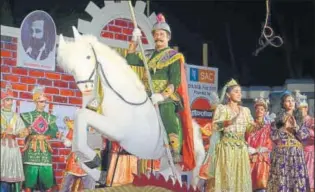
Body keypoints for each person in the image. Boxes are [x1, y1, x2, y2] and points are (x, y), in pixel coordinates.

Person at [126, 13, 195, 171]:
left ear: (168, 37)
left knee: (166, 112)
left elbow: (175, 81)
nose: (158, 37)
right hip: (148, 95)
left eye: (162, 34)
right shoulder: (148, 54)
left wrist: (162, 96)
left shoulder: (174, 56)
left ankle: (174, 149)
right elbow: (130, 59)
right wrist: (134, 41)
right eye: (156, 34)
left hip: (166, 96)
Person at [208, 79, 255, 192]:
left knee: (241, 178)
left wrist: (256, 126)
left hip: (241, 149)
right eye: (236, 91)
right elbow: (214, 126)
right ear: (228, 94)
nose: (240, 94)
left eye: (240, 92)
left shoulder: (246, 110)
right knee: (228, 177)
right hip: (227, 148)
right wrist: (227, 122)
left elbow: (249, 128)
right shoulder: (222, 108)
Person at [20, 85, 61, 192]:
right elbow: (22, 132)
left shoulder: (49, 117)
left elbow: (54, 131)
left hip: (45, 150)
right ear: (35, 102)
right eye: (41, 101)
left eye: (45, 102)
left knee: (47, 178)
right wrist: (27, 131)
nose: (44, 104)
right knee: (29, 177)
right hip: (31, 149)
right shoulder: (27, 116)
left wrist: (52, 134)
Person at [267, 90, 310, 192]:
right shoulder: (278, 119)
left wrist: (296, 127)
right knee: (282, 180)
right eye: (288, 101)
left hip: (296, 154)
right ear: (283, 104)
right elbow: (273, 137)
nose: (291, 103)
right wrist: (283, 127)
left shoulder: (299, 118)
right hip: (282, 154)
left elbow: (304, 135)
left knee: (297, 181)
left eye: (292, 100)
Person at [0, 84, 28, 192]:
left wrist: (24, 132)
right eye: (7, 100)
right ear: (2, 101)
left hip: (12, 147)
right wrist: (3, 132)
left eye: (11, 100)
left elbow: (21, 130)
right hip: (2, 146)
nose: (10, 102)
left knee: (11, 174)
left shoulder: (16, 116)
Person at [60, 117, 96, 191]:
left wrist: (64, 138)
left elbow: (68, 143)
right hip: (77, 159)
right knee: (68, 181)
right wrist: (63, 138)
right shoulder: (74, 127)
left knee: (89, 181)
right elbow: (68, 143)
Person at [246, 93, 273, 192]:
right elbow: (245, 140)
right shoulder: (249, 126)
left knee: (261, 184)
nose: (259, 111)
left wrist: (258, 149)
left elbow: (269, 144)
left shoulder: (268, 127)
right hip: (250, 157)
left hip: (262, 158)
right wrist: (250, 149)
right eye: (257, 109)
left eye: (262, 109)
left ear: (265, 112)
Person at [295, 90, 314, 192]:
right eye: (298, 110)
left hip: (310, 154)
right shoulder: (297, 122)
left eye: (301, 109)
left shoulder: (311, 121)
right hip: (299, 154)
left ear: (306, 108)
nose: (299, 111)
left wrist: (306, 133)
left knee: (310, 181)